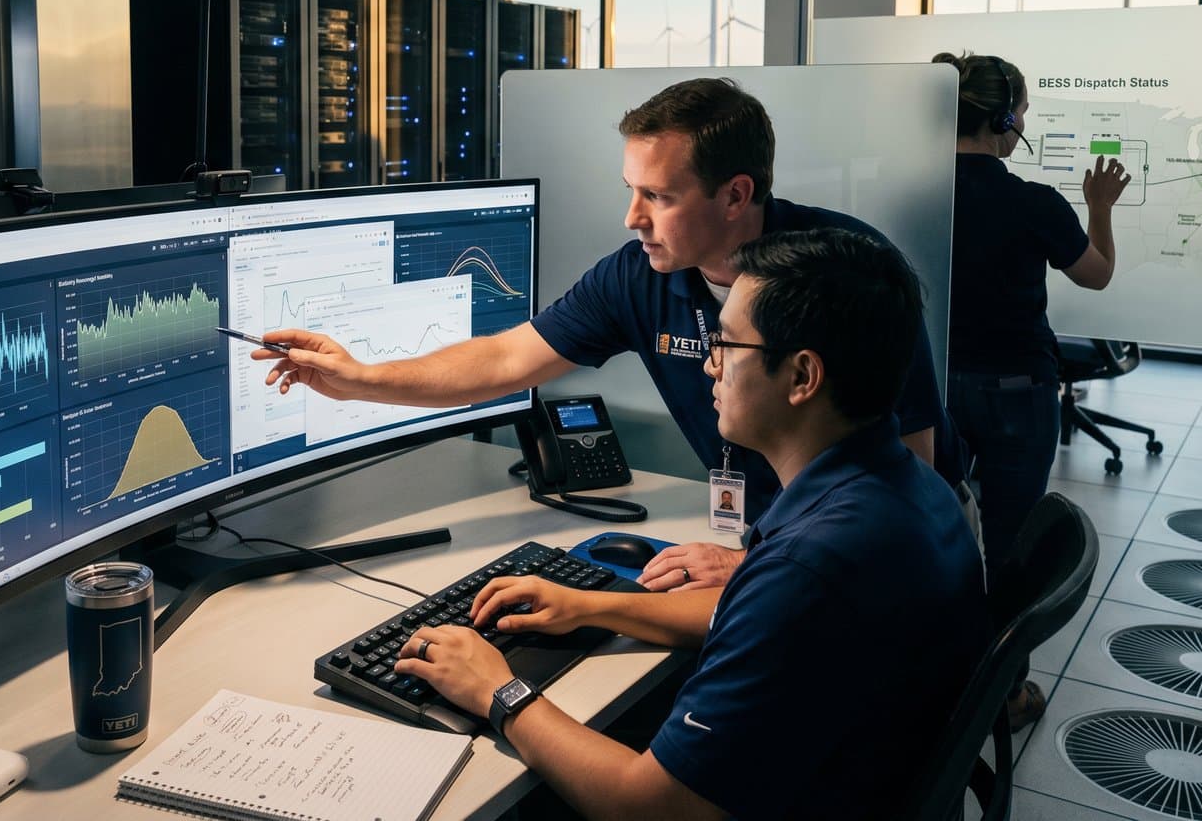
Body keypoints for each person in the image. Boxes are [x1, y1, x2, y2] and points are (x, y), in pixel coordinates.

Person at [254, 77, 944, 592]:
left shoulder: (848, 275)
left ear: (736, 195)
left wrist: (755, 564)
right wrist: (362, 378)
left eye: (660, 197)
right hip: (766, 537)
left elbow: (914, 470)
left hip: (854, 555)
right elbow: (505, 358)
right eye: (631, 188)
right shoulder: (638, 276)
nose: (632, 217)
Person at [391, 229, 986, 820]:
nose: (709, 365)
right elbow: (749, 616)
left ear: (803, 378)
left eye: (729, 345)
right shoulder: (910, 490)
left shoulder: (811, 564)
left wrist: (498, 692)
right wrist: (585, 605)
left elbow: (652, 808)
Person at [939, 50, 1126, 727]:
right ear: (1005, 119)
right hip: (1017, 392)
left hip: (933, 391)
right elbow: (1097, 274)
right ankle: (1005, 693)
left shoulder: (913, 192)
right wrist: (1099, 205)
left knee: (938, 532)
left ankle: (935, 670)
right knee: (1010, 545)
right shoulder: (1032, 203)